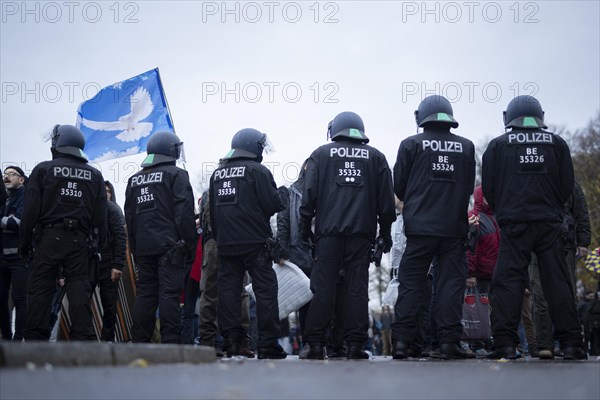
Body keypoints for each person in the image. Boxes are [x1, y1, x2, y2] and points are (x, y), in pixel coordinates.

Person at [482, 95, 586, 360]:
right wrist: (551, 209)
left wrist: (506, 212)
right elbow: (567, 185)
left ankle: (505, 344)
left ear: (508, 117)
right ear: (541, 116)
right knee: (558, 283)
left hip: (514, 224)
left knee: (507, 283)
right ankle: (572, 343)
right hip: (550, 223)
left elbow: (490, 190)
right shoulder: (557, 144)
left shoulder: (497, 146)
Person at [300, 111, 396, 360]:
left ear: (335, 130)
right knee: (356, 288)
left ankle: (315, 344)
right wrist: (384, 234)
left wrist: (304, 230)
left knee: (322, 288)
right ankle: (354, 344)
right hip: (361, 234)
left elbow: (307, 196)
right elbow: (386, 203)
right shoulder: (376, 157)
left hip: (328, 234)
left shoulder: (321, 154)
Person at [391, 95, 475, 360]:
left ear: (421, 117)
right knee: (450, 286)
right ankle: (448, 342)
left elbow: (399, 187)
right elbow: (469, 185)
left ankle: (402, 343)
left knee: (411, 285)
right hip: (453, 228)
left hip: (419, 229)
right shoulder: (466, 147)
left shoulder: (410, 145)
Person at [20, 124, 107, 340]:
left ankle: (34, 345)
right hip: (79, 241)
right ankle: (81, 345)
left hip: (49, 239)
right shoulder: (95, 176)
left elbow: (29, 213)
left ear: (58, 142)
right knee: (79, 292)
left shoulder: (42, 170)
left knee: (40, 292)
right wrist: (99, 246)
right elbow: (100, 219)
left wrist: (24, 243)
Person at [209, 128, 288, 359]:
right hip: (255, 244)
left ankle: (232, 343)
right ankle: (267, 344)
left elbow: (212, 213)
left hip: (226, 245)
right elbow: (273, 204)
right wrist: (281, 194)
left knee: (229, 294)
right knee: (265, 292)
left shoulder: (217, 174)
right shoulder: (258, 171)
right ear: (253, 147)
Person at [124, 131, 198, 344]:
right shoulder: (177, 174)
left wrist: (135, 250)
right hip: (171, 248)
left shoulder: (134, 179)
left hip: (144, 248)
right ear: (172, 150)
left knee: (146, 294)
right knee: (169, 294)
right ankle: (170, 341)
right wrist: (190, 244)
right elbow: (183, 213)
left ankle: (139, 340)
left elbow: (130, 217)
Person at [90, 180, 126, 341]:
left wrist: (117, 264)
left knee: (109, 307)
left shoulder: (113, 210)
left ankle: (108, 340)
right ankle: (86, 340)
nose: (105, 194)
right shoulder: (89, 207)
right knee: (81, 303)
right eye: (102, 190)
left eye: (108, 191)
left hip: (109, 263)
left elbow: (120, 237)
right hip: (89, 262)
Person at [0, 166, 28, 341]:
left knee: (20, 300)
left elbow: (18, 223)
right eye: (5, 174)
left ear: (22, 179)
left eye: (11, 174)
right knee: (1, 299)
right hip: (2, 257)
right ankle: (7, 338)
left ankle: (18, 341)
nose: (7, 177)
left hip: (19, 258)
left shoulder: (26, 196)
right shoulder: (4, 198)